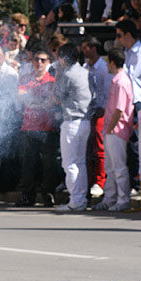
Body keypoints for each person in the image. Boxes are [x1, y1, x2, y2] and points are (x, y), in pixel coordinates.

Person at [17, 48, 60, 207]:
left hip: (48, 127)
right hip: (29, 127)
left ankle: (48, 195)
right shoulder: (25, 78)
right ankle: (28, 196)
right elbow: (22, 98)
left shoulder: (52, 80)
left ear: (49, 62)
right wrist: (40, 103)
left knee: (49, 164)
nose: (39, 62)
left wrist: (35, 102)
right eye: (37, 59)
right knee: (28, 164)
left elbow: (52, 101)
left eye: (43, 59)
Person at [93, 48, 133, 212]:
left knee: (119, 167)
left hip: (117, 130)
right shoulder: (117, 79)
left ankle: (123, 199)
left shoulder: (121, 81)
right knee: (111, 167)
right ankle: (110, 198)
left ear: (112, 62)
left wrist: (109, 128)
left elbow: (119, 109)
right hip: (112, 130)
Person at [53, 43, 92, 212]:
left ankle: (76, 199)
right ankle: (80, 199)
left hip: (71, 121)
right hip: (85, 120)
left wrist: (57, 76)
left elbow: (56, 97)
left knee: (69, 163)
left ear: (64, 58)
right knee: (80, 163)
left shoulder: (67, 74)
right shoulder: (85, 72)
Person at [115, 20, 141, 190]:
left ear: (128, 35)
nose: (117, 39)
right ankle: (131, 180)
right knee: (128, 143)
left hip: (136, 101)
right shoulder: (128, 52)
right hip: (126, 101)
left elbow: (129, 78)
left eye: (119, 35)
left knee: (135, 143)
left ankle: (138, 182)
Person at [82, 36, 112, 197]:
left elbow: (107, 92)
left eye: (87, 47)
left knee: (99, 148)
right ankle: (90, 180)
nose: (84, 50)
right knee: (88, 148)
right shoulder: (85, 67)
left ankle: (100, 181)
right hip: (88, 112)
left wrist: (103, 109)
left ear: (94, 48)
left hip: (102, 112)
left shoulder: (104, 67)